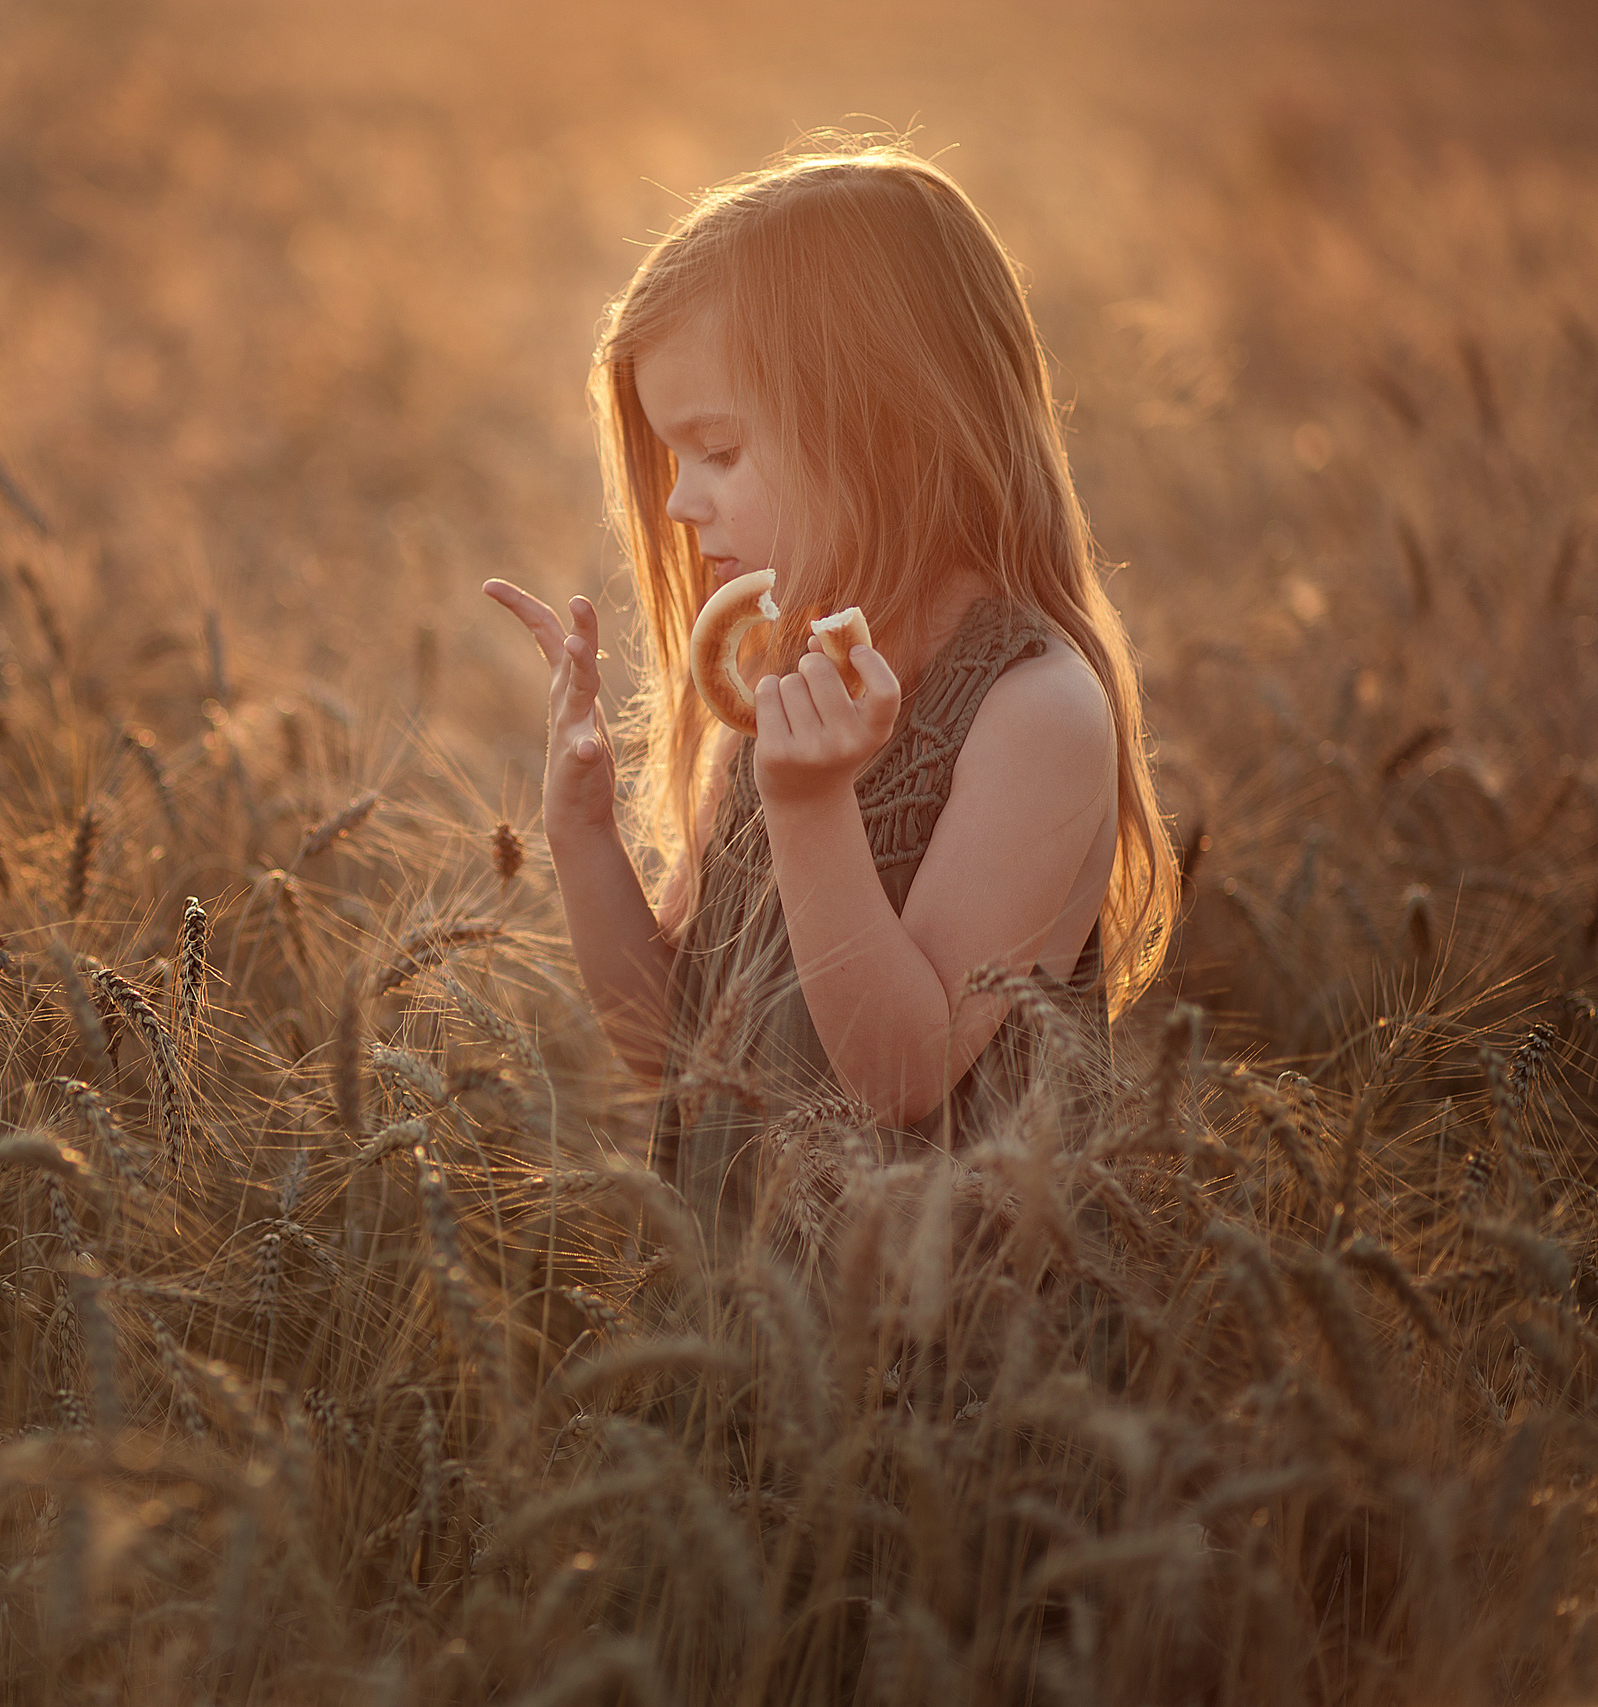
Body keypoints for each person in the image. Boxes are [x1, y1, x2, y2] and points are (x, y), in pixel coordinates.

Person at [485, 142, 1178, 1242]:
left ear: (888, 429)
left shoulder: (1031, 712)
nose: (678, 505)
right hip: (750, 1339)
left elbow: (898, 1077)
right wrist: (581, 835)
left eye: (715, 450)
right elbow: (675, 1051)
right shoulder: (780, 687)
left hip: (949, 1360)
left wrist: (811, 807)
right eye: (671, 460)